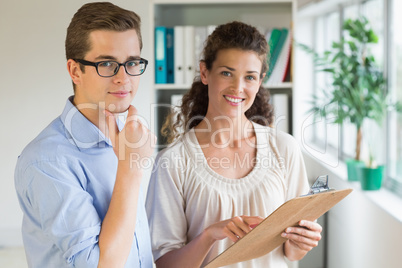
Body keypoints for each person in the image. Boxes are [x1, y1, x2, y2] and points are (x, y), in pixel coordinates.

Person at [145, 21, 322, 268]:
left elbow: (290, 254)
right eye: (227, 73)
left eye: (249, 77)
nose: (238, 88)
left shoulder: (284, 148)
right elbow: (165, 265)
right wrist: (209, 236)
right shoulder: (172, 162)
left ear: (260, 81)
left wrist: (301, 242)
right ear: (205, 73)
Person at [14, 2, 156, 267]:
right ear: (75, 71)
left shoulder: (130, 137)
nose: (123, 78)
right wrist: (131, 167)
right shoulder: (46, 161)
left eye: (132, 63)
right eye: (107, 64)